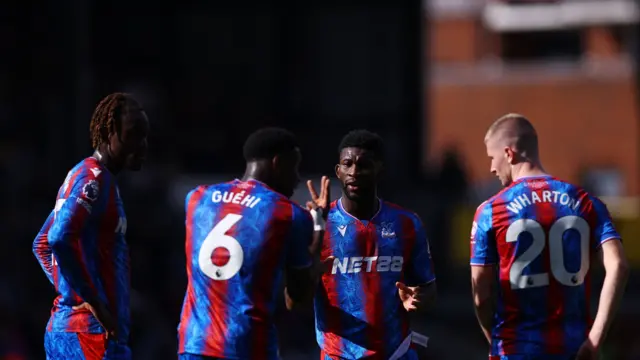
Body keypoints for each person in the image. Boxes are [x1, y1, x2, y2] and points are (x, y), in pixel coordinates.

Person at [470, 114, 629, 360]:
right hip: (574, 349)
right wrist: (595, 339)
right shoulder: (586, 202)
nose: (491, 167)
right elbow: (618, 265)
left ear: (509, 153)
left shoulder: (490, 211)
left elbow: (482, 294)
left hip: (515, 350)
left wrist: (497, 342)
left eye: (492, 157)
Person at [177, 127, 330, 360]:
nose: (297, 179)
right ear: (278, 163)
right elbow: (298, 298)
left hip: (194, 343)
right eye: (294, 168)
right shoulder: (287, 214)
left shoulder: (197, 198)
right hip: (248, 347)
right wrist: (318, 223)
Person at [32, 93, 150, 360]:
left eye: (145, 136)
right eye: (134, 134)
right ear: (110, 131)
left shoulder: (85, 174)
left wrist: (71, 290)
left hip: (71, 331)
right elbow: (58, 238)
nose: (142, 145)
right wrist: (91, 300)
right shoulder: (93, 178)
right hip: (91, 336)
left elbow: (41, 243)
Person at [314, 129, 437, 360]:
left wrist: (419, 297)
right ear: (338, 171)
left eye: (363, 165)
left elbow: (429, 287)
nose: (354, 172)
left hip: (396, 354)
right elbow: (294, 298)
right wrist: (310, 271)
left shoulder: (406, 223)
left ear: (380, 169)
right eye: (347, 164)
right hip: (338, 355)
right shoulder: (320, 224)